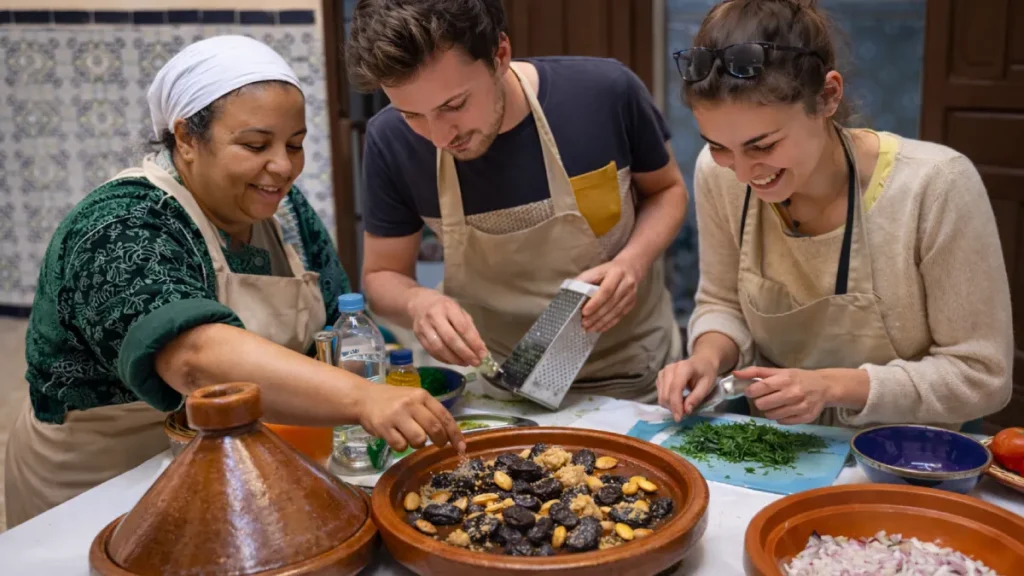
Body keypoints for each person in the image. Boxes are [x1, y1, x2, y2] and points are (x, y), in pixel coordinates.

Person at [5, 35, 463, 529]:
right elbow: (194, 360)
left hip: (235, 466)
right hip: (106, 482)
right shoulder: (119, 224)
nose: (283, 167)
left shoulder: (285, 215)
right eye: (255, 145)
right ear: (186, 138)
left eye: (295, 144)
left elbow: (336, 323)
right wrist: (362, 399)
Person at [656, 0, 1013, 429]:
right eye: (717, 146)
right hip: (780, 444)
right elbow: (722, 302)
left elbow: (981, 376)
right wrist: (707, 356)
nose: (745, 172)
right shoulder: (719, 175)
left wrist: (833, 387)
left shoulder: (935, 186)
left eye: (763, 146)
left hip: (909, 451)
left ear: (827, 96)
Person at [345, 0, 689, 402]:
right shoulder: (390, 141)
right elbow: (382, 275)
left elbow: (667, 191)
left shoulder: (605, 94)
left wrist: (633, 262)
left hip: (634, 378)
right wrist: (417, 302)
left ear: (500, 55)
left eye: (454, 105)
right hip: (498, 386)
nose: (439, 136)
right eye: (412, 115)